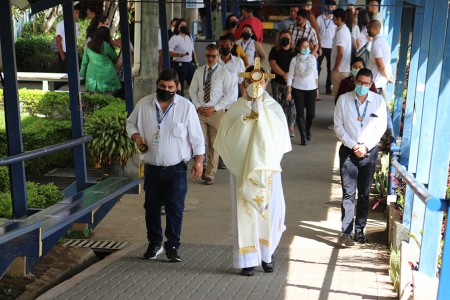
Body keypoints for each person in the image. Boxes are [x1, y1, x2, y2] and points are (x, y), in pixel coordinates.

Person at [214, 63, 292, 276]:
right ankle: (248, 260)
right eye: (251, 81)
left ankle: (267, 255)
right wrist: (246, 122)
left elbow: (280, 138)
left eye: (260, 81)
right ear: (244, 82)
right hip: (243, 170)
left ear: (266, 82)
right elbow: (226, 139)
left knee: (271, 212)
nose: (255, 85)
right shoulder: (237, 108)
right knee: (245, 213)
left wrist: (262, 117)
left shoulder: (273, 108)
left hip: (267, 170)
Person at [126, 68, 205, 262]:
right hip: (152, 168)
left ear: (177, 87)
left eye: (170, 87)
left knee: (174, 208)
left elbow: (197, 137)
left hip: (177, 168)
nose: (166, 90)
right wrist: (136, 136)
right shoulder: (144, 104)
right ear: (157, 85)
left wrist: (199, 161)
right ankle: (154, 244)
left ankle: (172, 246)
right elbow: (130, 123)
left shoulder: (186, 107)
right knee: (151, 207)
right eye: (163, 86)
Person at [334, 67, 387, 246]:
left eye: (366, 83)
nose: (362, 86)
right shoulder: (343, 100)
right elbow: (338, 127)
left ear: (371, 84)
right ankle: (346, 232)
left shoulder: (378, 101)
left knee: (364, 194)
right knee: (349, 193)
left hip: (369, 153)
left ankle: (359, 231)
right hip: (349, 152)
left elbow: (381, 128)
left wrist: (365, 146)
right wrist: (354, 145)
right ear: (354, 81)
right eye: (359, 82)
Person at [189, 44, 234, 185]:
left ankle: (210, 174)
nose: (210, 59)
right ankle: (200, 167)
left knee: (215, 144)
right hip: (201, 112)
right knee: (199, 141)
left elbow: (230, 93)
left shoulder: (223, 73)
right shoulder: (199, 71)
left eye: (213, 56)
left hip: (217, 113)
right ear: (205, 55)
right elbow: (192, 91)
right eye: (208, 56)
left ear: (218, 56)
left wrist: (216, 107)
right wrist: (198, 106)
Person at [287, 38, 319, 146]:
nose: (306, 48)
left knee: (311, 114)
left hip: (311, 89)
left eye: (307, 46)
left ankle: (307, 129)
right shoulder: (294, 60)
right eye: (303, 46)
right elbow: (290, 76)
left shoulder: (312, 59)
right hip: (298, 88)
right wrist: (289, 91)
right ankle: (303, 135)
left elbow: (315, 75)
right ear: (298, 48)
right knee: (300, 113)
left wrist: (317, 89)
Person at [269, 30, 297, 137]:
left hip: (291, 83)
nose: (285, 38)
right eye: (283, 36)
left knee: (291, 105)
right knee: (278, 104)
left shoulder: (295, 52)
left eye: (287, 36)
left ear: (291, 39)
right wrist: (284, 74)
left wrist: (289, 76)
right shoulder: (275, 50)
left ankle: (290, 126)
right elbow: (272, 63)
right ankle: (280, 125)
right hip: (277, 81)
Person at [79, 26, 121, 94]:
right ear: (106, 36)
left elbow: (84, 62)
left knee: (97, 99)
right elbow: (115, 58)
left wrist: (82, 75)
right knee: (108, 98)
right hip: (107, 75)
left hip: (92, 76)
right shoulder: (106, 45)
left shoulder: (89, 46)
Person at [169, 18, 198, 96]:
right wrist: (178, 55)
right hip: (180, 65)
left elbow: (192, 51)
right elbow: (169, 52)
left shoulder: (189, 37)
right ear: (178, 27)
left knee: (194, 85)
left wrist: (196, 63)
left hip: (190, 65)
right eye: (182, 25)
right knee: (179, 86)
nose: (184, 27)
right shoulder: (175, 38)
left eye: (185, 25)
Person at [55, 3, 80, 89]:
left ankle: (73, 90)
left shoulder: (76, 25)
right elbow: (58, 40)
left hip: (73, 52)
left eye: (78, 13)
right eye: (75, 13)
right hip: (64, 53)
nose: (77, 15)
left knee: (74, 73)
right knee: (64, 75)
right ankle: (53, 89)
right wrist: (62, 55)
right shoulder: (61, 24)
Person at [367, 20, 392, 103]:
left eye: (368, 28)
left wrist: (388, 76)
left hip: (376, 82)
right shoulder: (383, 41)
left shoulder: (377, 43)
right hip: (379, 81)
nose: (367, 30)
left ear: (372, 28)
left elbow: (380, 64)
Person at [218, 35, 245, 107]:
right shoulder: (215, 62)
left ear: (232, 45)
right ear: (219, 47)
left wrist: (244, 101)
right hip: (216, 103)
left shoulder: (238, 62)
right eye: (222, 46)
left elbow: (241, 83)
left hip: (232, 103)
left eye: (227, 45)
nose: (225, 48)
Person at [317, 0, 337, 95]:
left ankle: (328, 88)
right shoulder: (319, 19)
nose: (332, 10)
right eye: (331, 7)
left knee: (330, 68)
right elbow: (316, 32)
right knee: (317, 67)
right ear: (326, 7)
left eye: (334, 8)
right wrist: (318, 46)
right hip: (320, 46)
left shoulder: (335, 20)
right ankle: (315, 88)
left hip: (331, 47)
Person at [331, 8, 352, 96]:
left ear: (338, 19)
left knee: (338, 96)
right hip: (344, 69)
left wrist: (335, 68)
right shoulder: (345, 29)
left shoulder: (341, 32)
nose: (332, 19)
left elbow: (340, 53)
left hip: (339, 70)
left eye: (334, 17)